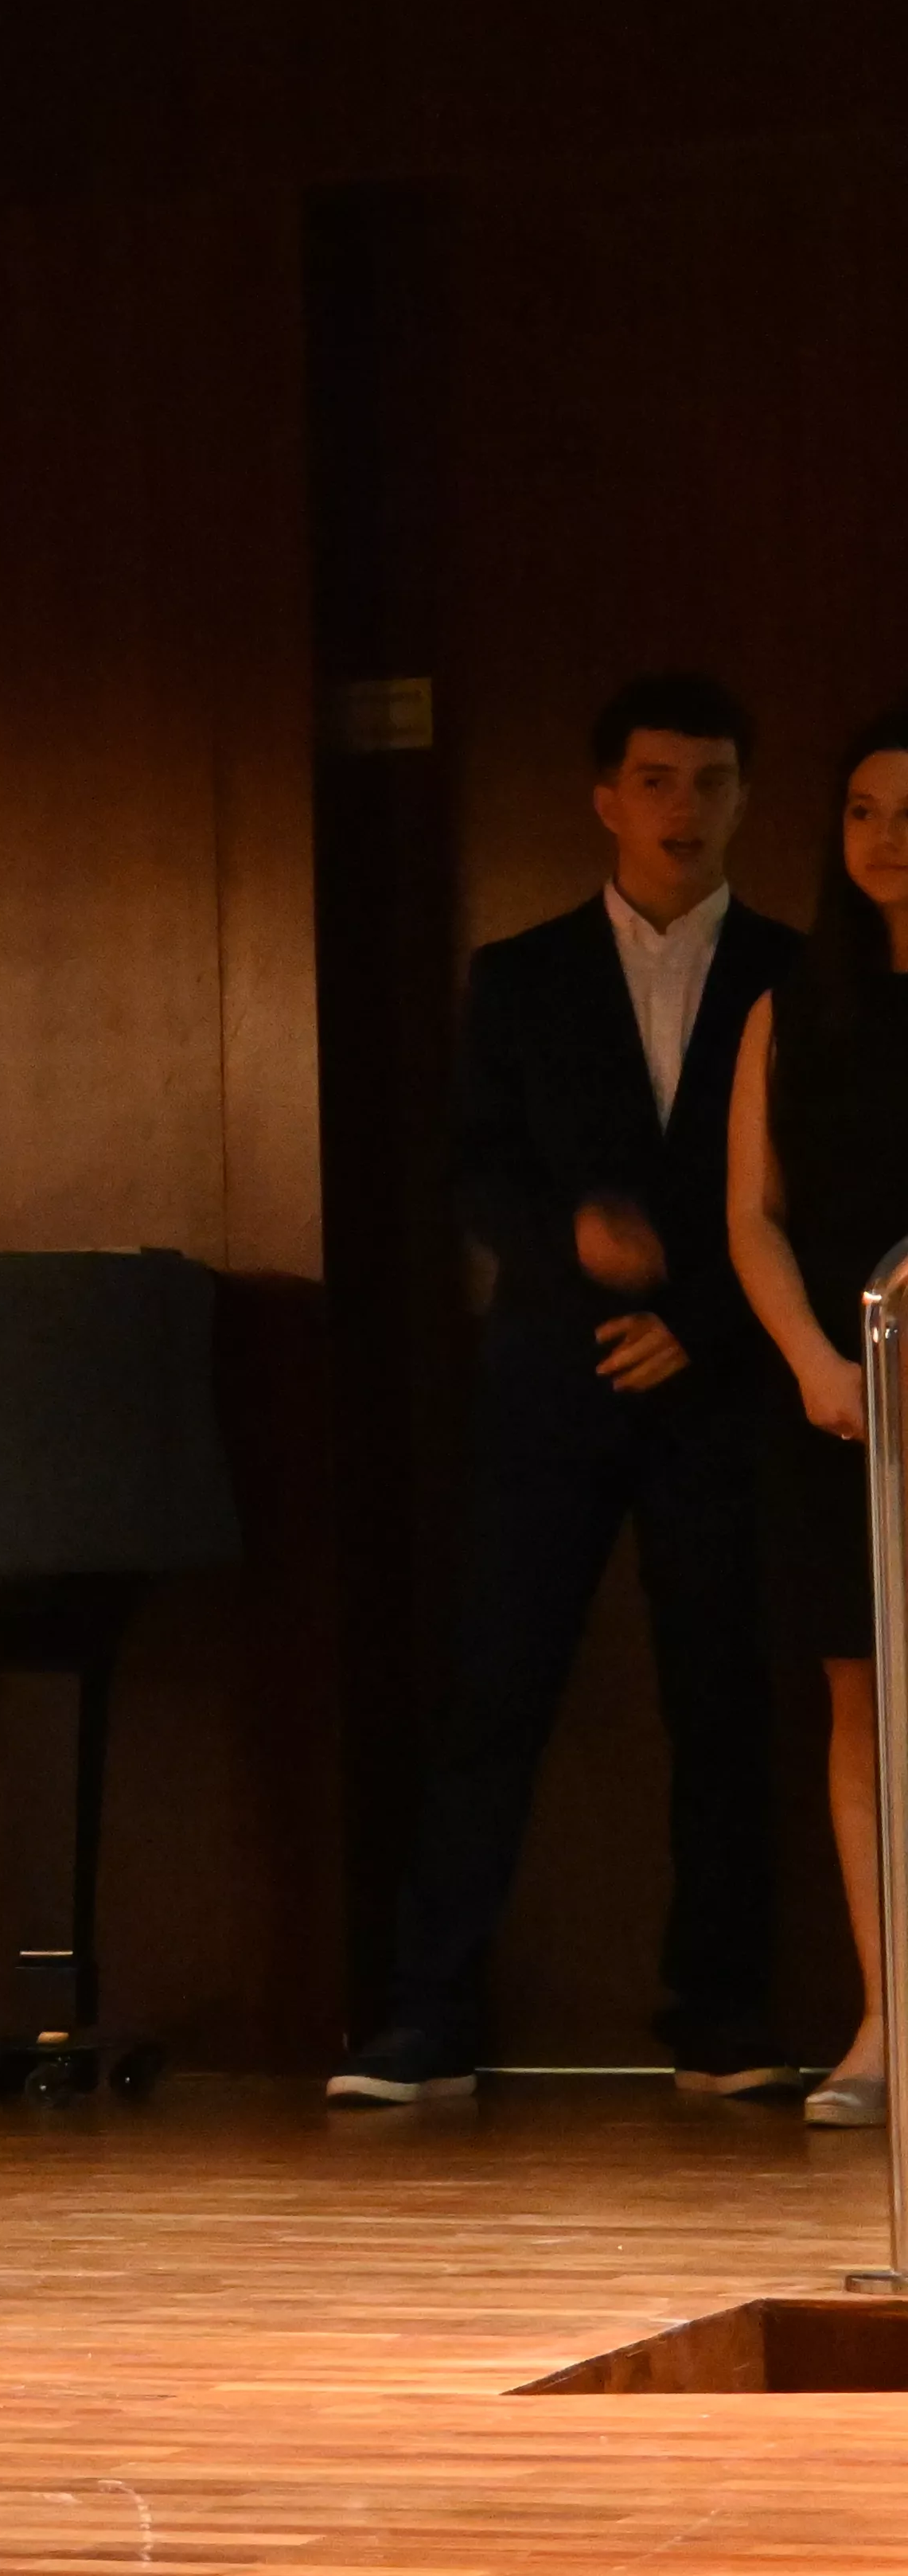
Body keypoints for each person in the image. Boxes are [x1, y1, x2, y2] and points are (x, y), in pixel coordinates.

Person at [332, 673, 801, 2106]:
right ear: (606, 799)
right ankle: (426, 2022)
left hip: (725, 1386)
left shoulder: (795, 969)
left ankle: (720, 2025)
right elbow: (475, 1167)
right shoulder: (521, 973)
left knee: (724, 1700)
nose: (684, 808)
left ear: (743, 802)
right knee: (496, 1688)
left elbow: (813, 1193)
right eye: (656, 780)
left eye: (711, 780)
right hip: (553, 1378)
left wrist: (706, 1329)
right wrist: (577, 1249)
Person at [723, 706, 908, 2127]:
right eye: (861, 811)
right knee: (860, 1698)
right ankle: (884, 2022)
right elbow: (755, 1219)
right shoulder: (791, 1006)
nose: (885, 840)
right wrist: (813, 1359)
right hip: (844, 1403)